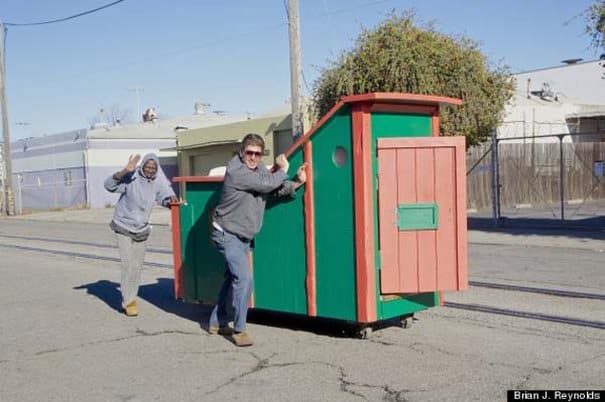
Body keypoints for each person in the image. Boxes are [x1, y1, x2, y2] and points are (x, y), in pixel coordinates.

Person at [209, 133, 307, 347]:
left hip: (243, 234)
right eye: (249, 152)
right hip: (227, 233)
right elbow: (267, 184)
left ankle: (217, 321)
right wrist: (283, 170)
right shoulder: (236, 171)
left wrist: (296, 183)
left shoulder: (260, 170)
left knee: (231, 278)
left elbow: (272, 188)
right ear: (242, 152)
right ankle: (240, 330)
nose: (253, 157)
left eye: (257, 154)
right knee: (244, 280)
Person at [104, 153, 178, 316]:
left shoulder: (158, 180)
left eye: (153, 168)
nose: (150, 170)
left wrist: (171, 201)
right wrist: (124, 171)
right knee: (127, 264)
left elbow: (164, 196)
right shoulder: (132, 177)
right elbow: (109, 185)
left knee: (136, 267)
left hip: (142, 228)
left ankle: (131, 296)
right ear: (142, 166)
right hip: (123, 224)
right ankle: (129, 301)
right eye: (147, 167)